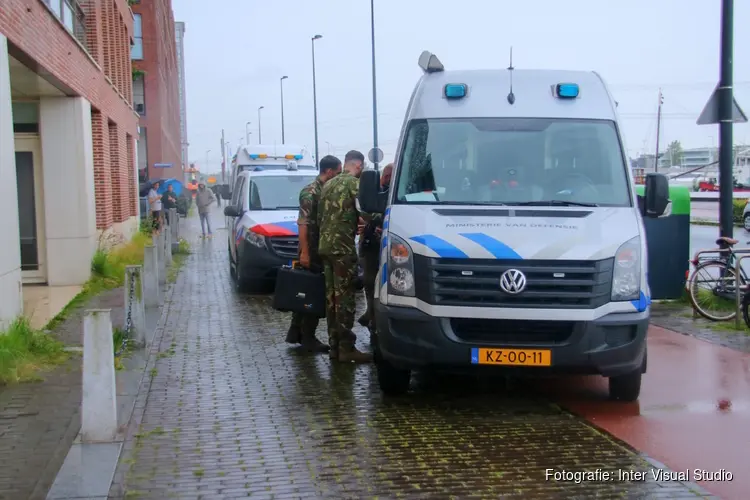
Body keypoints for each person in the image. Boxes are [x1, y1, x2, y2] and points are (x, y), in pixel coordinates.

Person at [318, 150, 372, 363]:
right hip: (342, 248)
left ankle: (334, 346)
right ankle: (346, 348)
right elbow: (366, 211)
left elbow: (322, 215)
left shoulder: (328, 184)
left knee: (331, 299)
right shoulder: (353, 184)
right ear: (358, 166)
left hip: (326, 247)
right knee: (346, 299)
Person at [285, 155, 342, 352]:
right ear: (329, 171)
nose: (339, 176)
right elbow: (303, 223)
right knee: (313, 292)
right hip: (311, 249)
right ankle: (307, 336)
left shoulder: (324, 190)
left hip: (318, 247)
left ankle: (295, 332)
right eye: (338, 172)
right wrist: (305, 253)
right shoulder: (311, 192)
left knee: (305, 290)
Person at [358, 163, 393, 340]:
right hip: (372, 244)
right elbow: (365, 213)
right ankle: (372, 316)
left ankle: (372, 314)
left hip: (386, 243)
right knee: (370, 281)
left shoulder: (397, 191)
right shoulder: (375, 193)